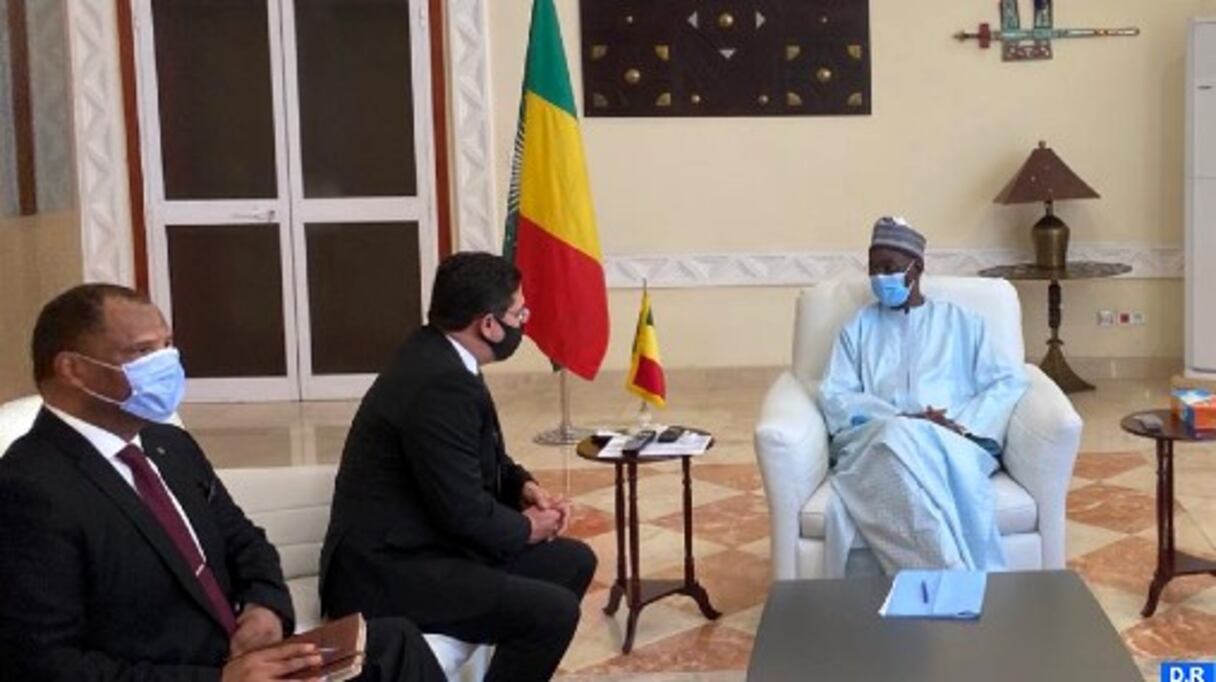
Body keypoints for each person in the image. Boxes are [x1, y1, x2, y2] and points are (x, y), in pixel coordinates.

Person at [0, 284, 444, 682]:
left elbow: (244, 541)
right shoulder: (32, 488)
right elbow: (46, 664)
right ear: (73, 369)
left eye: (168, 345)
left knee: (393, 644)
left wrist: (266, 608)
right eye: (142, 352)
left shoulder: (167, 444)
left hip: (247, 660)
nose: (167, 363)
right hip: (191, 674)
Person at [321, 252, 597, 682]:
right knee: (552, 614)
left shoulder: (441, 354)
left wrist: (523, 487)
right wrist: (527, 528)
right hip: (388, 574)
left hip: (426, 546)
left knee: (573, 561)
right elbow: (462, 511)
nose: (524, 321)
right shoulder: (438, 383)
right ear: (488, 324)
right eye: (519, 312)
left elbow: (478, 456)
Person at [817, 217, 1029, 578]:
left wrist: (959, 423)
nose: (881, 278)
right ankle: (953, 577)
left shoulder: (963, 323)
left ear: (917, 268)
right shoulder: (857, 328)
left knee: (902, 444)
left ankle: (937, 584)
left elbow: (1006, 381)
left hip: (952, 438)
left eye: (890, 268)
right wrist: (902, 420)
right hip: (877, 436)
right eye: (874, 269)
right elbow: (835, 394)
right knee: (897, 437)